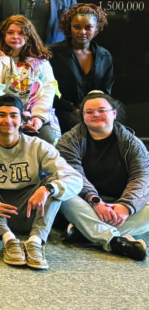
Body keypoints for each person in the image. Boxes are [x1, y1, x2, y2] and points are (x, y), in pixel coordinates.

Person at [0, 94, 80, 270]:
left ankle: (36, 242)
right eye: (1, 115)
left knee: (53, 184)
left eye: (13, 115)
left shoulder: (38, 146)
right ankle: (8, 240)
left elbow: (74, 178)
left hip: (28, 213)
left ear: (21, 120)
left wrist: (48, 189)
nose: (8, 120)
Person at [58, 92, 149, 261]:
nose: (96, 115)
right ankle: (113, 240)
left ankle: (84, 232)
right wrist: (96, 202)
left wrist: (126, 206)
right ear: (82, 116)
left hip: (119, 203)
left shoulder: (133, 144)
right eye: (89, 112)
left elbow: (141, 177)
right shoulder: (68, 141)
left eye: (101, 110)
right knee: (63, 194)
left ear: (114, 113)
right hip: (85, 203)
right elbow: (73, 175)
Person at [0, 15, 59, 144]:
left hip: (33, 112)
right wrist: (15, 118)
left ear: (29, 36)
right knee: (5, 138)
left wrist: (38, 118)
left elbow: (48, 89)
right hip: (2, 112)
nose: (15, 37)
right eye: (10, 32)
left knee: (48, 137)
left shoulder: (39, 58)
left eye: (21, 33)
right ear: (3, 34)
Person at [48, 4, 113, 133]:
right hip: (61, 112)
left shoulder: (104, 56)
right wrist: (74, 110)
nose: (82, 32)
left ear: (96, 28)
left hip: (95, 112)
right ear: (69, 27)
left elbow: (105, 91)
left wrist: (92, 111)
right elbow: (49, 89)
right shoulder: (53, 53)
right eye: (77, 27)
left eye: (88, 28)